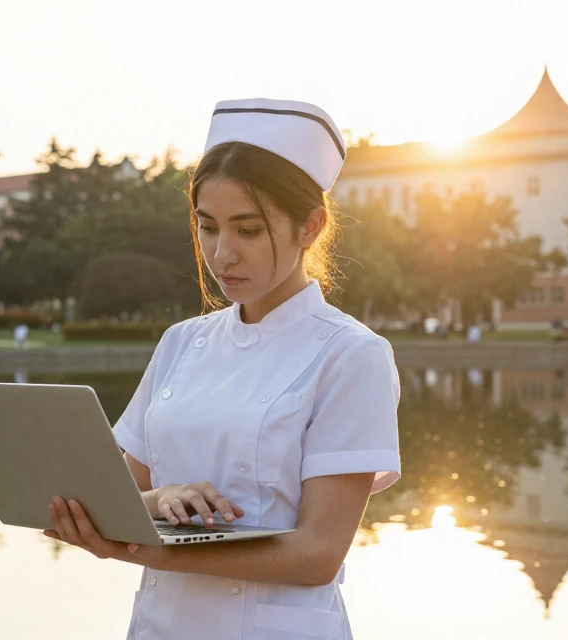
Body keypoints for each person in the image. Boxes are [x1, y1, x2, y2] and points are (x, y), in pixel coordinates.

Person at [42, 98, 401, 639]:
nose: (222, 254)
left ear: (311, 226)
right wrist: (157, 500)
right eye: (207, 227)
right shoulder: (181, 343)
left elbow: (317, 554)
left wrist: (153, 549)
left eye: (248, 230)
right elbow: (110, 496)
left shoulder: (351, 355)